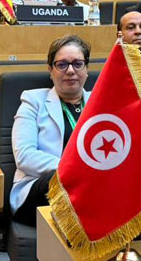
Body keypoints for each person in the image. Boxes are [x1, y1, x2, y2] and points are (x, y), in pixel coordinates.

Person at [11, 35, 92, 226]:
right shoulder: (33, 101)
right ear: (50, 70)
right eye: (62, 65)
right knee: (61, 182)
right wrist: (74, 169)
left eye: (77, 64)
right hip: (41, 188)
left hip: (91, 186)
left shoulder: (100, 104)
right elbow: (24, 156)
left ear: (86, 69)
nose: (70, 71)